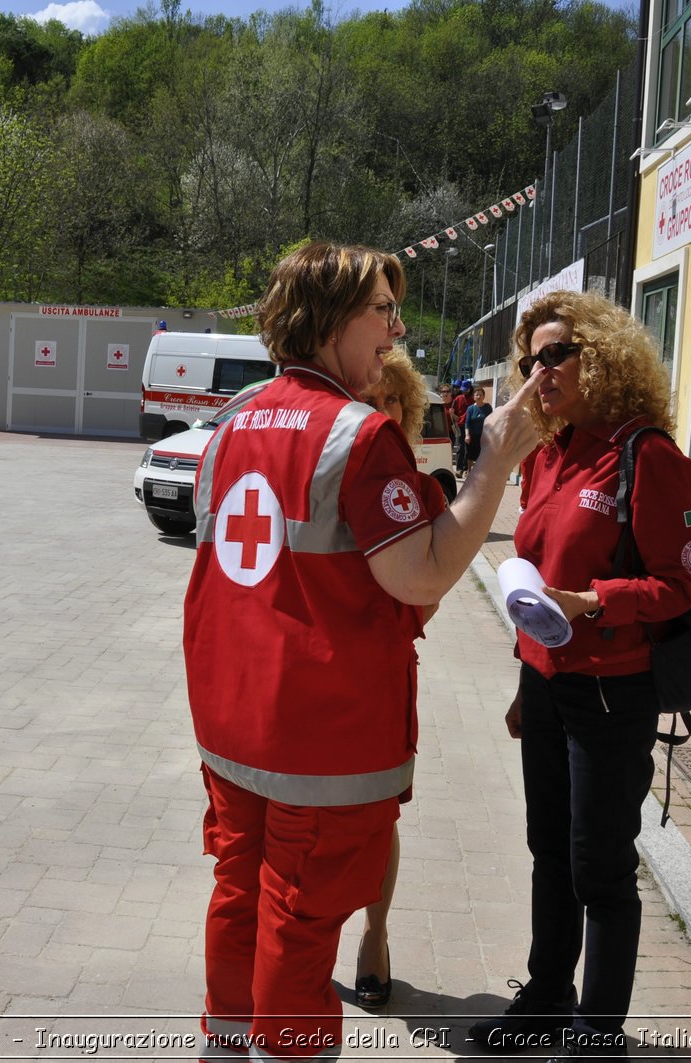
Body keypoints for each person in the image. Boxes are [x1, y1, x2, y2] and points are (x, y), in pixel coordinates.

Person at [184, 242, 541, 1063]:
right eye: (383, 310)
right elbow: (418, 578)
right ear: (331, 318)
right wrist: (495, 466)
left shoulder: (235, 418)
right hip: (320, 736)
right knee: (300, 921)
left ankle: (225, 1049)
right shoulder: (358, 432)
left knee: (239, 895)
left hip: (233, 728)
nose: (396, 329)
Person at [469, 290, 691, 1060]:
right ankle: (545, 995)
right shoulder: (549, 450)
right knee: (549, 847)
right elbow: (537, 575)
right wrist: (523, 677)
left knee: (600, 863)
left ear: (599, 356)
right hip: (547, 683)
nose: (540, 371)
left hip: (612, 689)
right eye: (530, 358)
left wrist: (596, 601)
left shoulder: (647, 453)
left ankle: (597, 1034)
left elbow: (683, 582)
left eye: (556, 353)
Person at [351, 348, 441, 1011]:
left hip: (379, 677)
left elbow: (419, 604)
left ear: (405, 413)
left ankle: (374, 937)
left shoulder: (425, 492)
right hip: (314, 678)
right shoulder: (328, 474)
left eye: (391, 402)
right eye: (368, 398)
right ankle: (308, 940)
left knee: (377, 816)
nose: (378, 412)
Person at [463, 386, 493, 468]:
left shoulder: (488, 407)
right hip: (472, 436)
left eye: (480, 395)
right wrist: (467, 435)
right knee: (470, 455)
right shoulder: (470, 408)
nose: (478, 396)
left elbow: (491, 421)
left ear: (483, 396)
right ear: (474, 397)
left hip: (484, 436)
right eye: (476, 395)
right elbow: (467, 423)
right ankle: (469, 471)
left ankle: (479, 472)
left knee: (481, 455)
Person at [450, 382, 471, 474]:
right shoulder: (458, 399)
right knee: (460, 447)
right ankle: (459, 469)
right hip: (459, 426)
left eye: (466, 389)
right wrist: (455, 418)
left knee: (468, 448)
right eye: (463, 389)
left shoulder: (472, 399)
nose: (464, 391)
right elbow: (452, 412)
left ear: (470, 389)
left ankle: (466, 468)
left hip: (470, 426)